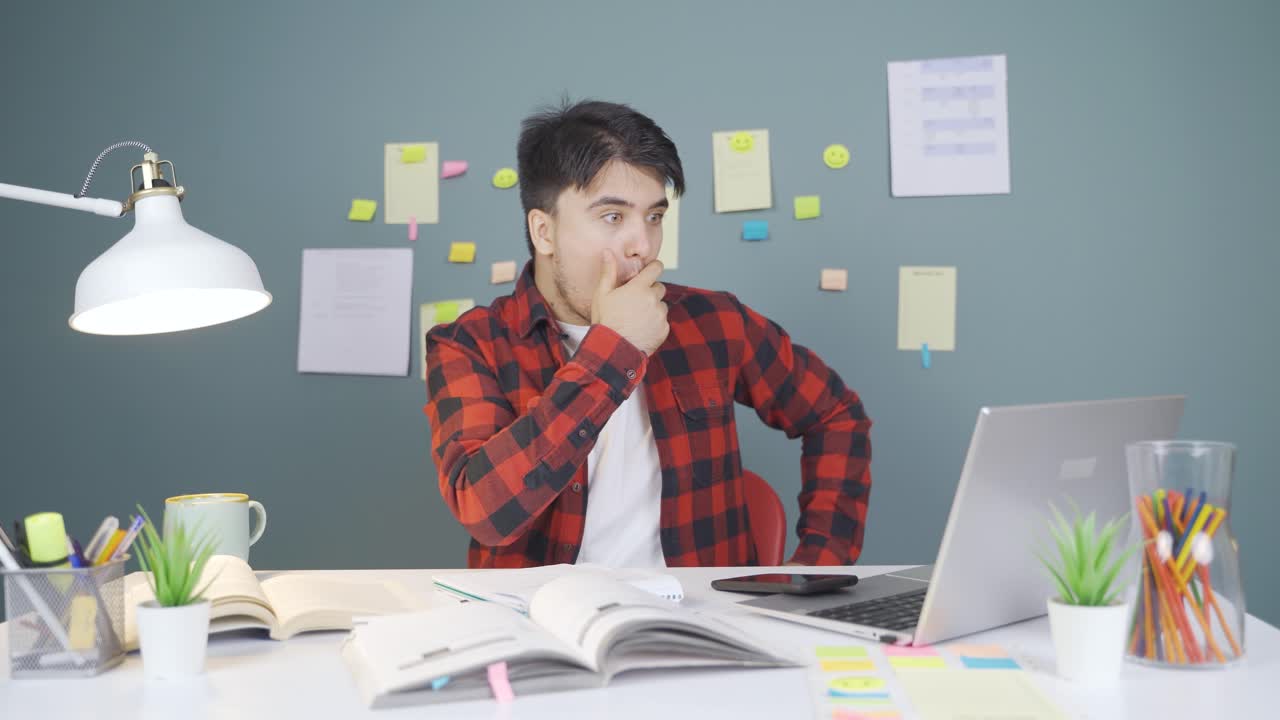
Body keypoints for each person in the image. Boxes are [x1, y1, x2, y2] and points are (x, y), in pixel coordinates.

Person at [424, 99, 872, 569]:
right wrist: (613, 352)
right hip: (541, 623)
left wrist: (821, 567)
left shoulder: (713, 320)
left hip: (700, 621)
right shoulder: (468, 344)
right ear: (544, 232)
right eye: (613, 217)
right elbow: (485, 510)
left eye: (654, 216)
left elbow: (837, 414)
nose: (642, 244)